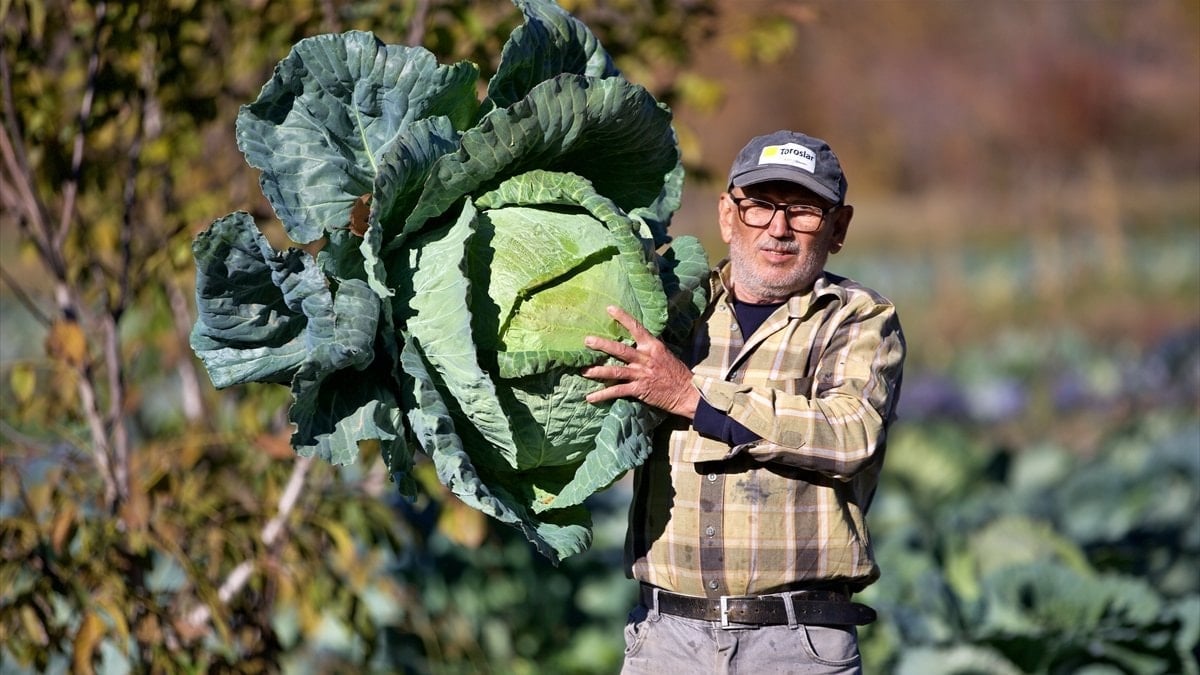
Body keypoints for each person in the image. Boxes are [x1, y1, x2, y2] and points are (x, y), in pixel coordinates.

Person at [582, 130, 906, 674]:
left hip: (796, 645)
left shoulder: (856, 317)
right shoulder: (672, 307)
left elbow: (851, 433)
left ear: (838, 228)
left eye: (803, 211)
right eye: (760, 206)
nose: (778, 229)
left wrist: (693, 397)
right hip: (665, 641)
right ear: (728, 216)